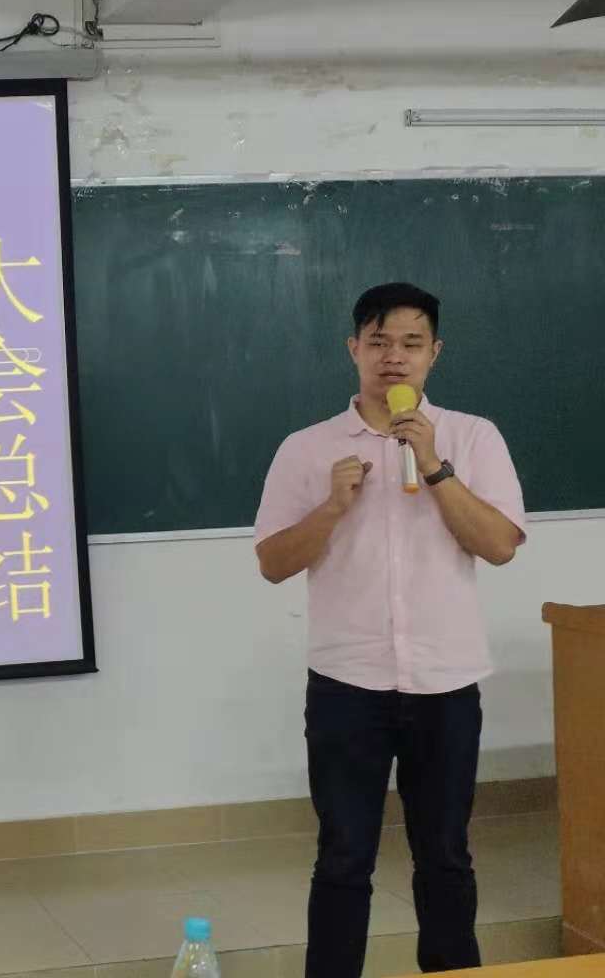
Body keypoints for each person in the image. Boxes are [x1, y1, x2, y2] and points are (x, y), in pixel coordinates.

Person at [254, 283, 526, 977]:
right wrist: (330, 508)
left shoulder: (473, 437)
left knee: (446, 856)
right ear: (354, 349)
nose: (394, 357)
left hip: (446, 680)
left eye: (411, 343)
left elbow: (499, 545)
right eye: (378, 342)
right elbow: (273, 563)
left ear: (435, 353)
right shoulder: (306, 448)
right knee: (343, 857)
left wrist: (434, 466)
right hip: (348, 682)